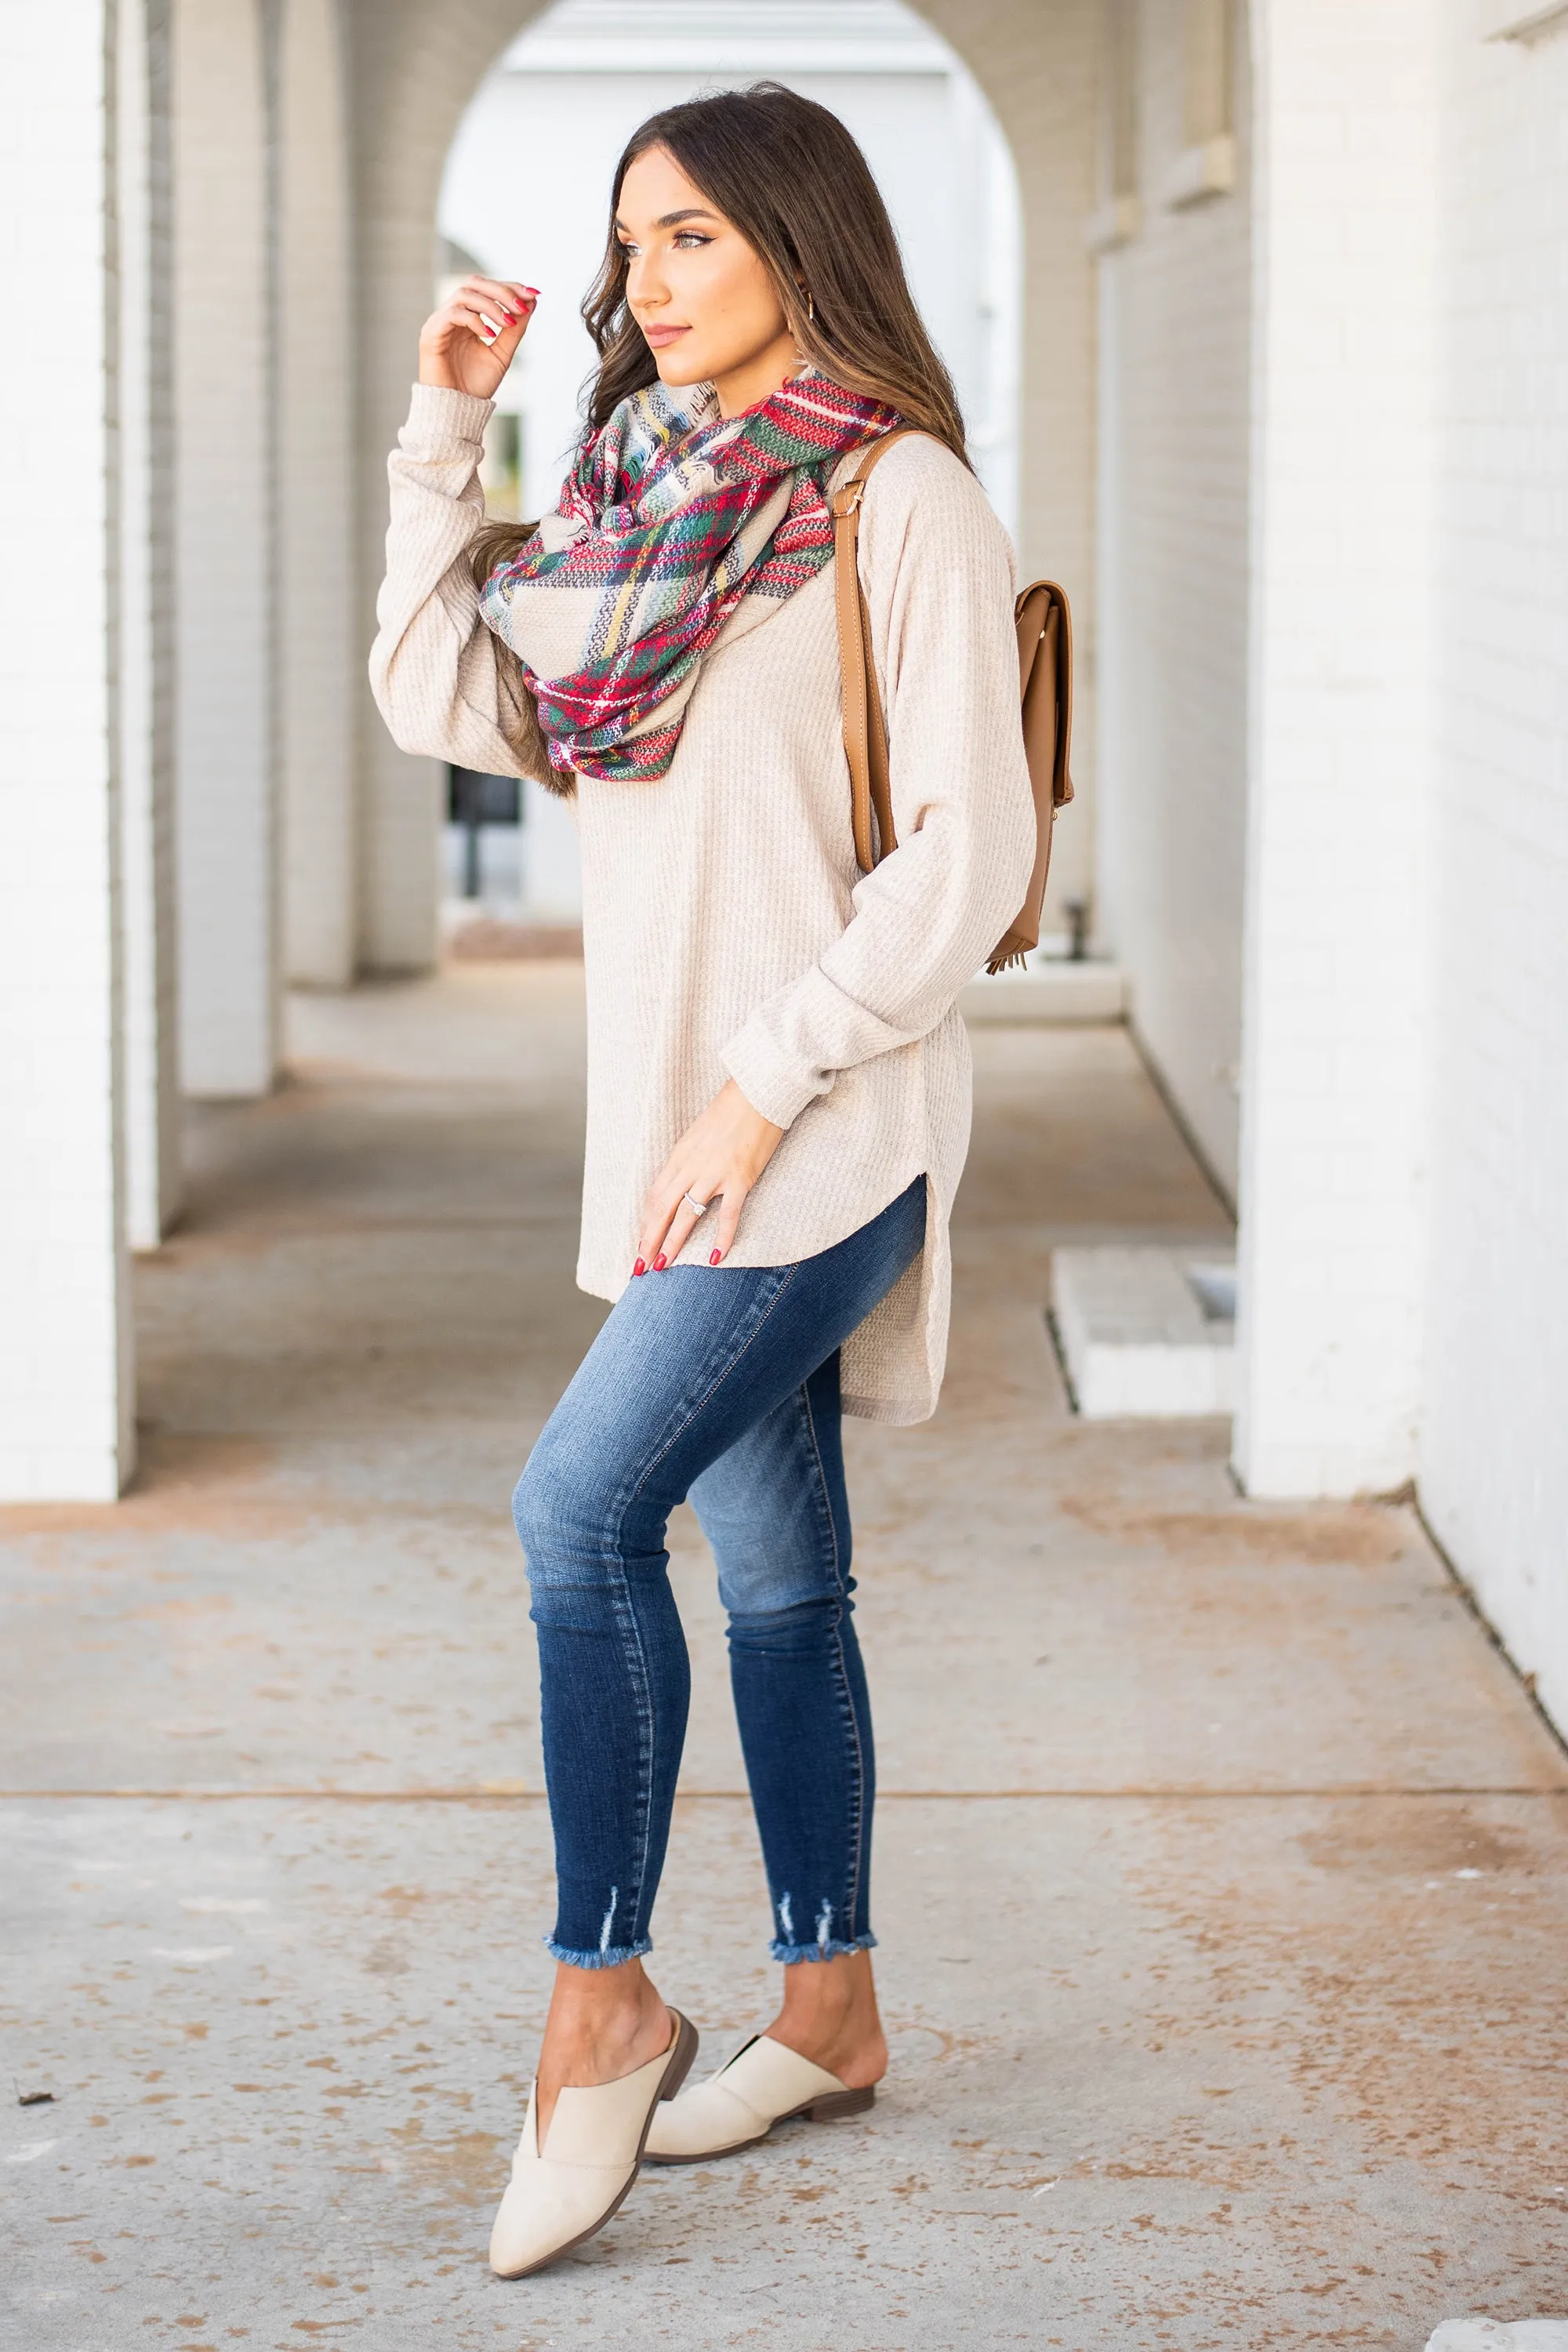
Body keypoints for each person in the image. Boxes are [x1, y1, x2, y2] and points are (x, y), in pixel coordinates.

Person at [370, 81, 1035, 2281]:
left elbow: (974, 854)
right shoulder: (625, 505)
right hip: (683, 1127)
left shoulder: (891, 497)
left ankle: (599, 2002)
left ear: (801, 251)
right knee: (773, 1576)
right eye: (630, 244)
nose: (644, 285)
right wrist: (440, 442)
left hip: (816, 1125)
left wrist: (763, 1085)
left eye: (695, 246)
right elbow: (435, 688)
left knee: (575, 1514)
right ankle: (830, 2003)